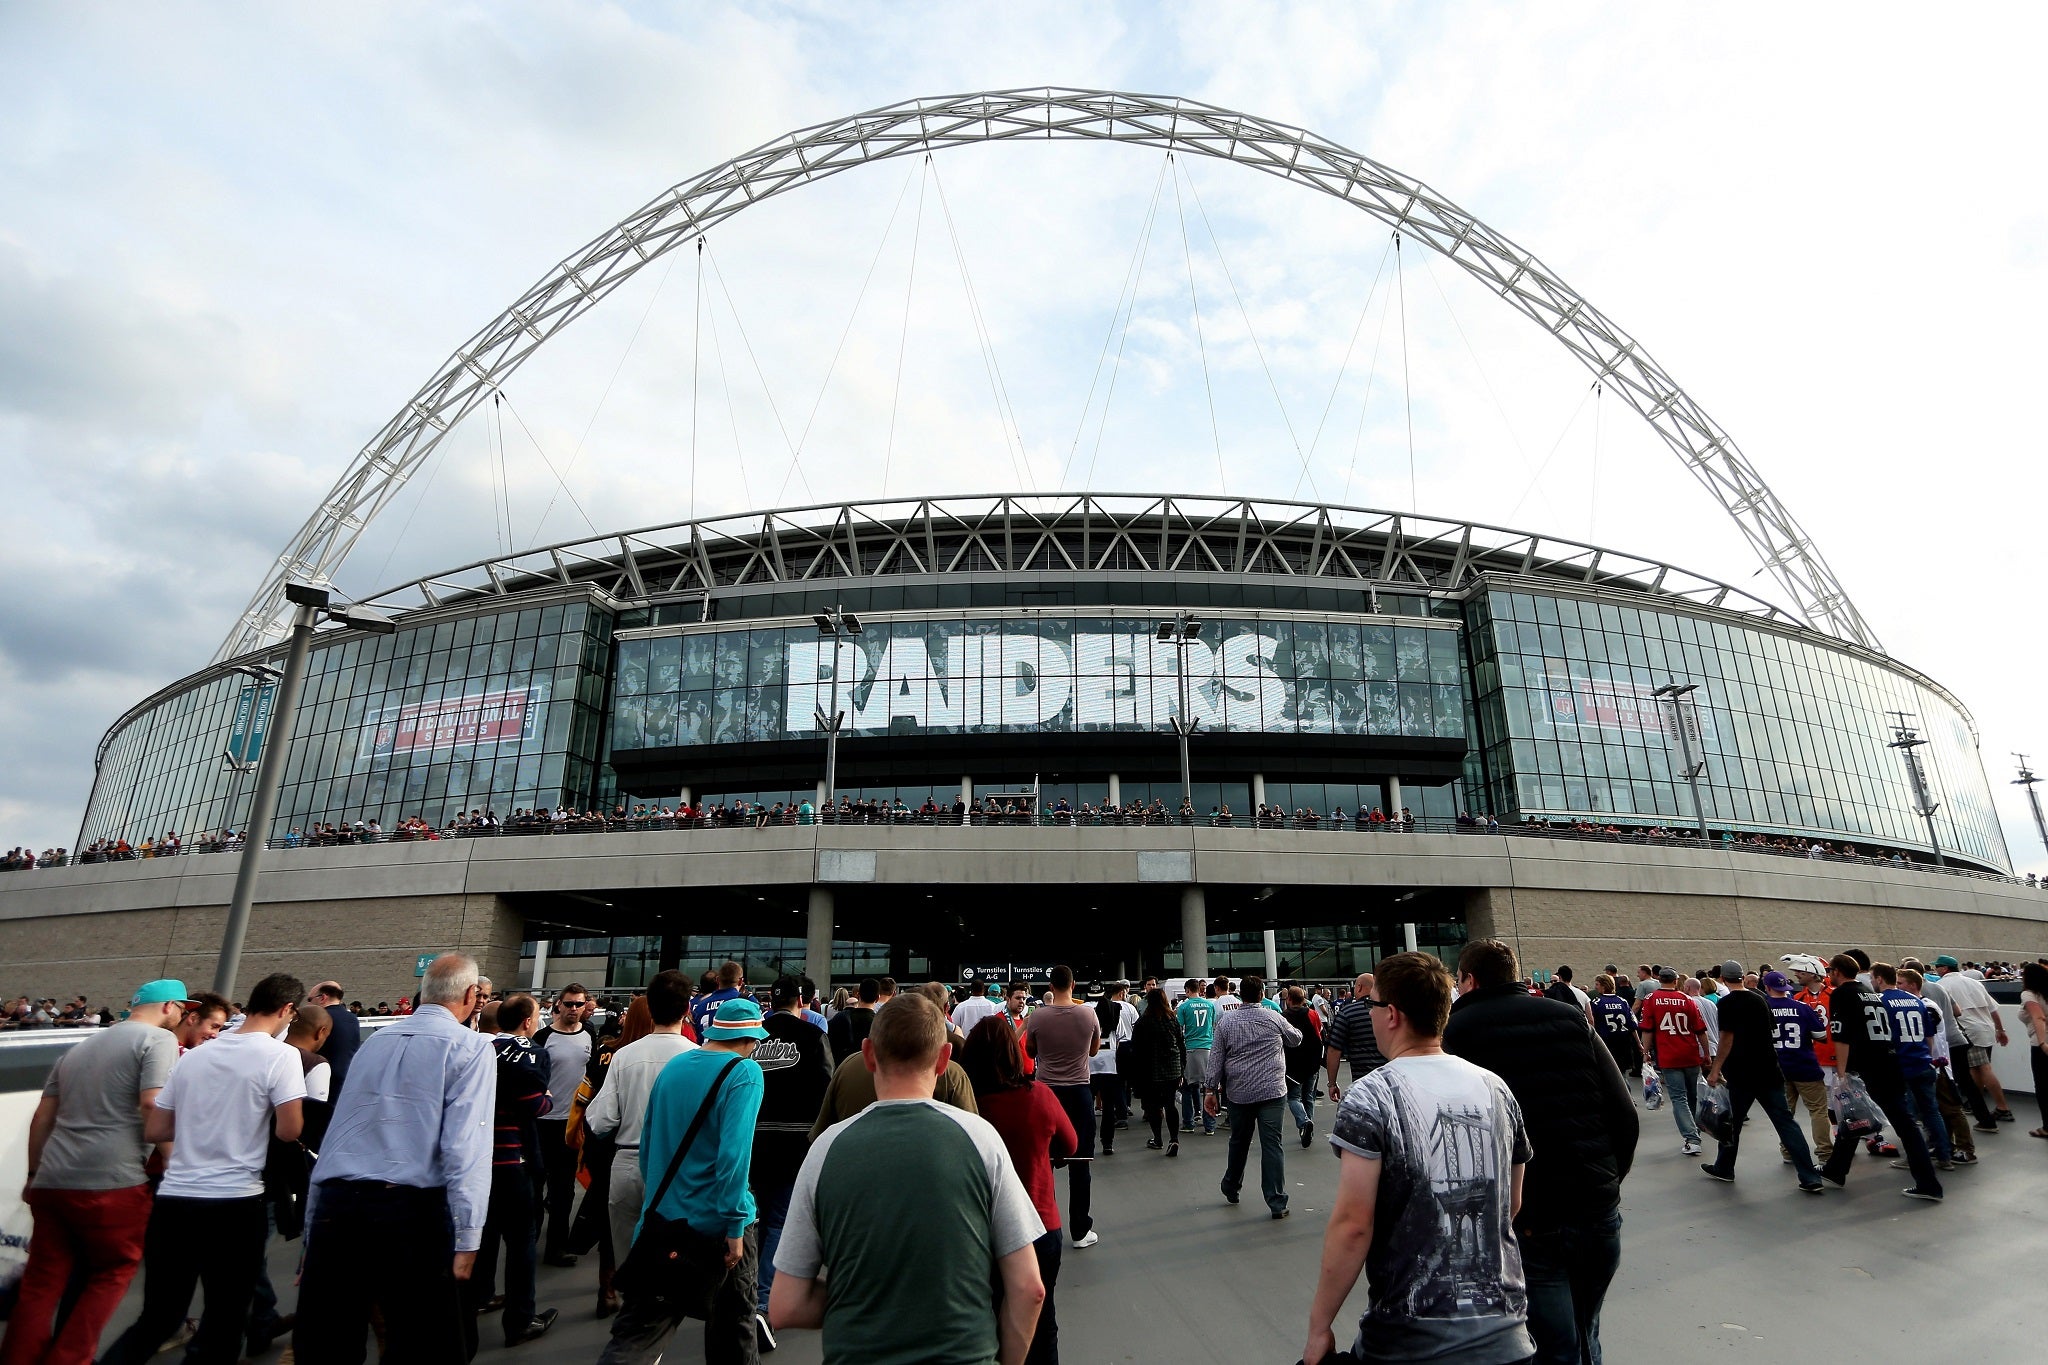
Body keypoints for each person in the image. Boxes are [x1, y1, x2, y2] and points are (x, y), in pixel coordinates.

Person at [769, 994, 1046, 1365]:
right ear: (945, 1059)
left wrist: (869, 1298)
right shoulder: (980, 1139)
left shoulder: (825, 1149)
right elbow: (1029, 1289)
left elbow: (786, 1306)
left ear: (868, 1055)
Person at [1303, 952, 1534, 1365]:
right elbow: (1511, 1204)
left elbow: (1354, 1226)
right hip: (1507, 1336)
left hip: (1409, 1342)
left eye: (1371, 1006)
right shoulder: (1495, 1087)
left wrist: (1320, 1326)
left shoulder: (1372, 1095)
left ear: (1391, 1014)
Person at [293, 953, 494, 1363]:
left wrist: (312, 1231)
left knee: (327, 1346)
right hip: (409, 1210)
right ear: (472, 995)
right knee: (422, 1344)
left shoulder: (376, 1042)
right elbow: (464, 1146)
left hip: (339, 1202)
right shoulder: (470, 1047)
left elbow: (338, 1136)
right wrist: (469, 1234)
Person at [1443, 940, 1637, 1364]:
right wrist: (1607, 1181)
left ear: (1470, 980)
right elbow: (1624, 1113)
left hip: (1530, 1213)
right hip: (1594, 1205)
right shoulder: (1569, 1017)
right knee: (1587, 1329)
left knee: (1554, 1343)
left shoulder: (1456, 1032)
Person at [100, 973, 308, 1365]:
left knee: (158, 1316)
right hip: (234, 1203)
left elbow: (157, 1128)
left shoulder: (195, 1055)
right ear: (287, 1010)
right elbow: (289, 1129)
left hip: (175, 1199)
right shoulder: (281, 1056)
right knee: (224, 1319)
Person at [0, 979, 187, 1365]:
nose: (185, 1014)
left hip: (53, 1178)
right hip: (112, 1181)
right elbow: (152, 1104)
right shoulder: (159, 1041)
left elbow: (42, 1117)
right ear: (168, 1006)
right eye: (184, 1007)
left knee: (41, 1283)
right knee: (112, 1271)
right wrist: (173, 1157)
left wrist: (34, 1175)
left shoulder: (79, 1047)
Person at [597, 998, 768, 1365]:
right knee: (733, 1332)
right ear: (751, 1039)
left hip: (663, 1221)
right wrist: (736, 1223)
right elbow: (733, 1157)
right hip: (718, 1226)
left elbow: (648, 1147)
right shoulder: (745, 1073)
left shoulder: (675, 1067)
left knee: (636, 1336)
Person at [960, 1015, 1076, 1365]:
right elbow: (1070, 1144)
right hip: (1039, 1223)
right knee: (1043, 1322)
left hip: (980, 1230)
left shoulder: (966, 1108)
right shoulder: (1039, 1096)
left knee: (987, 1318)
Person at [584, 971, 699, 1311]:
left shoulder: (624, 1055)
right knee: (672, 1256)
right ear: (687, 1008)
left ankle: (634, 1310)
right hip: (678, 1167)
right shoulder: (697, 1056)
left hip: (628, 1160)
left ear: (649, 1007)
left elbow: (602, 1121)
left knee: (628, 1258)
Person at [467, 992, 557, 1349]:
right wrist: (547, 1097)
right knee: (521, 1242)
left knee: (483, 1235)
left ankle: (478, 1297)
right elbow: (534, 1105)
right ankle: (520, 1318)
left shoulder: (472, 1051)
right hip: (512, 1159)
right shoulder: (527, 1055)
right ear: (526, 1021)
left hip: (475, 1161)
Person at [748, 976, 833, 1351]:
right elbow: (826, 1087)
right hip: (794, 1140)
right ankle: (762, 1303)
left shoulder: (750, 1036)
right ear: (803, 999)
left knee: (753, 1219)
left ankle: (744, 1295)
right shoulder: (812, 1036)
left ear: (770, 997)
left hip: (750, 1139)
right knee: (780, 1219)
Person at [1818, 954, 1943, 1200]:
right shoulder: (1868, 992)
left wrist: (1841, 1073)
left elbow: (1841, 1036)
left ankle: (1929, 1183)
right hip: (1889, 1061)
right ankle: (1835, 1169)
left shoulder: (1842, 994)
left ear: (1837, 972)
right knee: (1857, 1118)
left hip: (1869, 1067)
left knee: (1902, 1125)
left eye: (1830, 970)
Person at [1698, 961, 1822, 1193]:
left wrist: (1715, 1069)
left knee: (1732, 1123)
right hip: (1768, 1069)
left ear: (1722, 979)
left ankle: (1725, 1167)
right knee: (1786, 1122)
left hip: (1741, 1073)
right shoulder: (1760, 1000)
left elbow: (1727, 1038)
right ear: (1743, 977)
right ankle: (1809, 1176)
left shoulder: (1726, 1003)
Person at [1204, 975, 1301, 1219]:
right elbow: (1295, 1039)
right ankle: (1276, 1201)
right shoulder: (1273, 1016)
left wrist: (1210, 1090)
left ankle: (1231, 1185)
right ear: (1261, 995)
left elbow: (1216, 1058)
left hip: (1239, 1092)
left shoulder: (1227, 1022)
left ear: (1240, 995)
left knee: (1239, 1142)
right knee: (1272, 1145)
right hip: (1272, 1091)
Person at [1023, 966, 1102, 1247]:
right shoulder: (1088, 1013)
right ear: (1073, 984)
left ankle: (1045, 1226)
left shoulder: (1038, 1016)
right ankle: (1080, 1230)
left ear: (1050, 985)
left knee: (1043, 1163)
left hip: (1046, 1094)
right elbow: (1093, 1050)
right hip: (1079, 1092)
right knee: (1080, 1164)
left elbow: (1030, 1051)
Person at [531, 982, 594, 1266]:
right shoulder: (543, 1036)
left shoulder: (589, 1034)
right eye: (568, 1004)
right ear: (558, 1004)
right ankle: (528, 1239)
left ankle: (556, 1247)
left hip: (572, 1124)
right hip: (543, 1121)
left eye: (578, 1004)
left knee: (564, 1188)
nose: (573, 1009)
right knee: (535, 1184)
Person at [1873, 964, 1953, 1170]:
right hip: (1922, 1062)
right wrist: (1926, 1056)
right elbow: (1929, 1035)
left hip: (1900, 1064)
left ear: (1880, 979)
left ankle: (1915, 1157)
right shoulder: (1916, 1001)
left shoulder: (1880, 1002)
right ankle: (1944, 1156)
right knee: (1931, 1111)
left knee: (1907, 1117)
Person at [1762, 971, 1832, 1167]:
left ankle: (1788, 1151)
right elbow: (1820, 1035)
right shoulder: (1801, 1007)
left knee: (1785, 1113)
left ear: (1767, 987)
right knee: (1818, 1110)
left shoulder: (1762, 1007)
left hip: (1776, 1068)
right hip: (1805, 1064)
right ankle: (1825, 1154)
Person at [1931, 955, 2013, 1123]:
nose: (1935, 969)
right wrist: (2000, 1029)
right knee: (1975, 1069)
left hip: (1969, 1031)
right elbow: (1993, 1009)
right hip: (1986, 1030)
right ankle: (1976, 1103)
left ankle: (2002, 1108)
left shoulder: (1941, 986)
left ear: (1944, 969)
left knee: (1983, 1069)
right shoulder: (1975, 983)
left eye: (1937, 966)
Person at [1637, 967, 1709, 1156]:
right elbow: (1700, 1030)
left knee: (1679, 1097)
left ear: (1659, 979)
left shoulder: (1651, 999)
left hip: (1669, 1055)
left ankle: (1691, 1138)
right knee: (1692, 1095)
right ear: (1676, 980)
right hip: (1690, 1053)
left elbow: (1647, 1029)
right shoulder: (1687, 1000)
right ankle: (1694, 1130)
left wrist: (1646, 1052)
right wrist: (1707, 1054)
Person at [1127, 987, 1185, 1156]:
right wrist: (1182, 1067)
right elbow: (1181, 1044)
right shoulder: (1172, 1019)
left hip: (1150, 1070)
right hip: (1172, 1068)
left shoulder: (1143, 1022)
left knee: (1153, 1107)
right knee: (1170, 1105)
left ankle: (1158, 1139)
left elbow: (1135, 1049)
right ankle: (1174, 1139)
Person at [1323, 971, 1388, 1109]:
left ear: (1358, 987)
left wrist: (1332, 1083)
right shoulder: (1389, 1010)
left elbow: (1334, 1050)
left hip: (1363, 1083)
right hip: (1391, 1080)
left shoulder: (1347, 1012)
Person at [1087, 982, 1136, 1156]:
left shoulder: (1082, 1010)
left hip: (1088, 1065)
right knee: (1108, 1107)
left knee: (1087, 1107)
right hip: (1110, 1063)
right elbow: (1122, 1037)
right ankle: (1107, 1142)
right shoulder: (1114, 1008)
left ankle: (1087, 1142)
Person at [1280, 985, 1323, 1146]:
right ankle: (1308, 1126)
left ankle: (1304, 1123)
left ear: (1289, 999)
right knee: (1309, 1097)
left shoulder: (1283, 1016)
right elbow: (1320, 1034)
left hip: (1293, 1063)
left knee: (1293, 1097)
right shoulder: (1312, 1014)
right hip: (1312, 1061)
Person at [1175, 979, 1217, 1136]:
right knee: (1209, 1088)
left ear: (1187, 990)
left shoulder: (1184, 1006)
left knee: (1187, 1087)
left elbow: (1179, 1028)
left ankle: (1188, 1123)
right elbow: (1213, 1025)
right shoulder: (1210, 1005)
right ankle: (1210, 1125)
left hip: (1191, 1048)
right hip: (1207, 1047)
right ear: (1199, 989)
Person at [309, 979, 362, 1096]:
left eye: (310, 1000)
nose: (309, 1004)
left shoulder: (319, 1018)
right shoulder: (352, 1018)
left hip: (322, 1083)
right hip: (347, 1081)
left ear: (322, 998)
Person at [1589, 973, 1642, 1078]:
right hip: (1624, 1043)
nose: (1596, 987)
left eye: (1597, 984)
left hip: (1606, 1042)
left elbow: (1591, 1022)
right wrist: (1638, 1043)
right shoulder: (1622, 1002)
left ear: (1604, 986)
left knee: (1607, 1074)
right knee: (1622, 1075)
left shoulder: (1596, 1002)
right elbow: (1632, 1025)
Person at [2018, 960, 2048, 1138]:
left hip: (2040, 1044)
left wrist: (2043, 1042)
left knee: (2043, 1086)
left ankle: (2047, 1127)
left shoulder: (2029, 995)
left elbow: (2038, 1017)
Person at [827, 977, 880, 1066]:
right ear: (877, 998)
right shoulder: (880, 1024)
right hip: (868, 1073)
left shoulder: (839, 1018)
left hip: (841, 1069)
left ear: (858, 995)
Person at [690, 960, 747, 1037]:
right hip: (730, 1047)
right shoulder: (745, 1002)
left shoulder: (699, 1006)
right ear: (740, 981)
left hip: (702, 1047)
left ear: (717, 980)